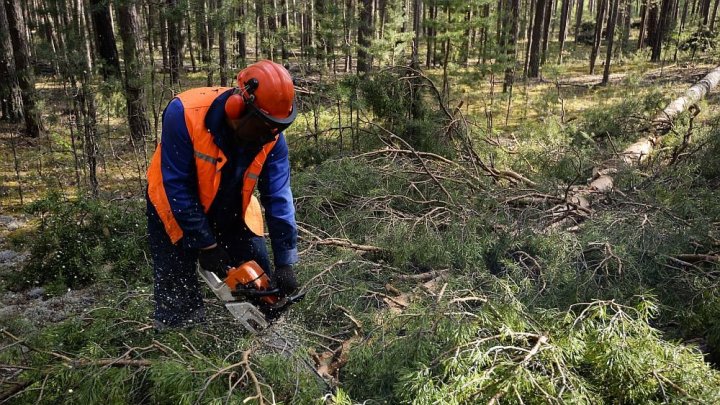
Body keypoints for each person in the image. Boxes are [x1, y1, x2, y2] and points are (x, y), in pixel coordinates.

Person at [146, 60, 299, 329]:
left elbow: (278, 196)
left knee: (260, 287)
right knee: (177, 294)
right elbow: (178, 187)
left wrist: (285, 261)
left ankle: (264, 348)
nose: (267, 136)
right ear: (237, 107)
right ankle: (176, 343)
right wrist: (206, 245)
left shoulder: (272, 135)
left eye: (275, 128)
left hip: (232, 206)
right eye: (262, 126)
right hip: (173, 204)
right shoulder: (184, 113)